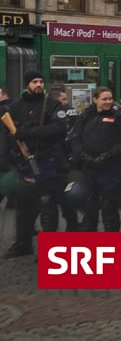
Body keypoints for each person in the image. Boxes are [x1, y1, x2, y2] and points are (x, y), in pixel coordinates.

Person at [0, 71, 69, 258]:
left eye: (40, 81)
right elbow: (6, 133)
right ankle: (23, 243)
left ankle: (49, 249)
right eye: (34, 82)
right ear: (27, 84)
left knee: (47, 203)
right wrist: (5, 158)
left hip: (46, 160)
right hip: (23, 162)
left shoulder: (52, 105)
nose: (38, 84)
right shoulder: (16, 106)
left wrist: (28, 133)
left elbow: (59, 128)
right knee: (23, 204)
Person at [69, 87, 121, 231]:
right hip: (89, 167)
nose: (108, 102)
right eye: (104, 99)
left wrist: (108, 155)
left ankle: (111, 245)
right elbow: (75, 139)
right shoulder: (85, 116)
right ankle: (92, 245)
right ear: (95, 100)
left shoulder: (120, 117)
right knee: (89, 208)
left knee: (109, 209)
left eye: (110, 99)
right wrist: (84, 156)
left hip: (111, 168)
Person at [48, 87, 80, 231]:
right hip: (54, 163)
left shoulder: (67, 115)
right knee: (52, 201)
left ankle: (72, 226)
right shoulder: (50, 117)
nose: (67, 103)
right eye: (63, 99)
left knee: (65, 197)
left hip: (65, 163)